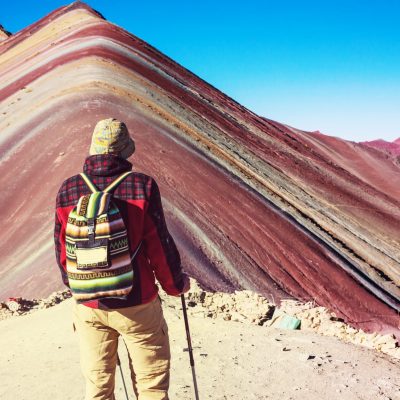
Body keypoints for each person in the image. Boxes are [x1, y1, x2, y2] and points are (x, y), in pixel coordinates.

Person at [54, 117, 190, 400]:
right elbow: (159, 244)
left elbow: (62, 249)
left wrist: (80, 286)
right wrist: (175, 285)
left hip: (89, 305)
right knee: (151, 387)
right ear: (126, 150)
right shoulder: (142, 187)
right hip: (137, 303)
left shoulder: (68, 189)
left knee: (98, 389)